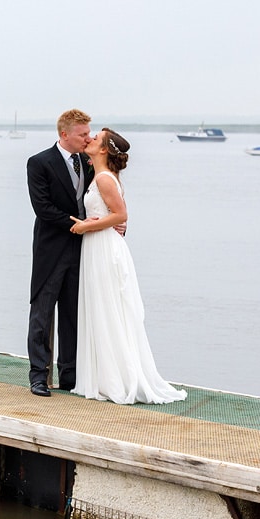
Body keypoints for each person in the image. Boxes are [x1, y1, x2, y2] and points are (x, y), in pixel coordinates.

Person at [69, 128, 186, 404]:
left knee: (109, 308)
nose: (90, 139)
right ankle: (105, 377)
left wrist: (88, 225)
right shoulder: (101, 176)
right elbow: (114, 215)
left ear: (104, 150)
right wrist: (96, 225)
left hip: (104, 247)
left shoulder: (105, 179)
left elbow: (121, 215)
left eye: (95, 138)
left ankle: (116, 379)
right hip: (98, 245)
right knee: (102, 308)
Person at [25, 109, 93, 397]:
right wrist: (78, 225)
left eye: (89, 133)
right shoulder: (39, 163)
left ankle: (71, 375)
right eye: (82, 134)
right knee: (42, 314)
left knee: (73, 313)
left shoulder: (89, 162)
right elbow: (43, 208)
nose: (88, 139)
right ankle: (39, 376)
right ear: (64, 134)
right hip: (51, 249)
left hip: (83, 249)